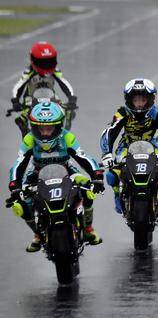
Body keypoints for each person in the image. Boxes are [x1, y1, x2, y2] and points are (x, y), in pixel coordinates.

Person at [6, 101, 103, 252]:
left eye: (50, 128)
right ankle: (38, 234)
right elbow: (19, 164)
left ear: (58, 126)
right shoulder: (29, 139)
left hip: (67, 170)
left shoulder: (67, 137)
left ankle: (88, 228)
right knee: (22, 205)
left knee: (87, 190)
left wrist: (96, 175)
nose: (45, 133)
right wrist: (14, 186)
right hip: (37, 173)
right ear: (34, 127)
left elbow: (83, 157)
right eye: (41, 128)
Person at [100, 78, 158, 222]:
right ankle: (117, 195)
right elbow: (109, 132)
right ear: (129, 100)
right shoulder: (122, 113)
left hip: (153, 143)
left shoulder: (157, 114)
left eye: (143, 100)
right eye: (136, 100)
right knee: (112, 174)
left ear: (150, 99)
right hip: (127, 144)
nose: (139, 104)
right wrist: (106, 154)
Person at [10, 41, 78, 137]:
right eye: (43, 63)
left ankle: (65, 123)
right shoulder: (29, 72)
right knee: (25, 112)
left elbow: (64, 82)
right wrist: (15, 100)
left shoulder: (55, 71)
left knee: (64, 106)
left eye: (50, 62)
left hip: (50, 96)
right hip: (31, 98)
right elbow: (19, 86)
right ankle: (24, 126)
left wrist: (71, 98)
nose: (47, 65)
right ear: (33, 60)